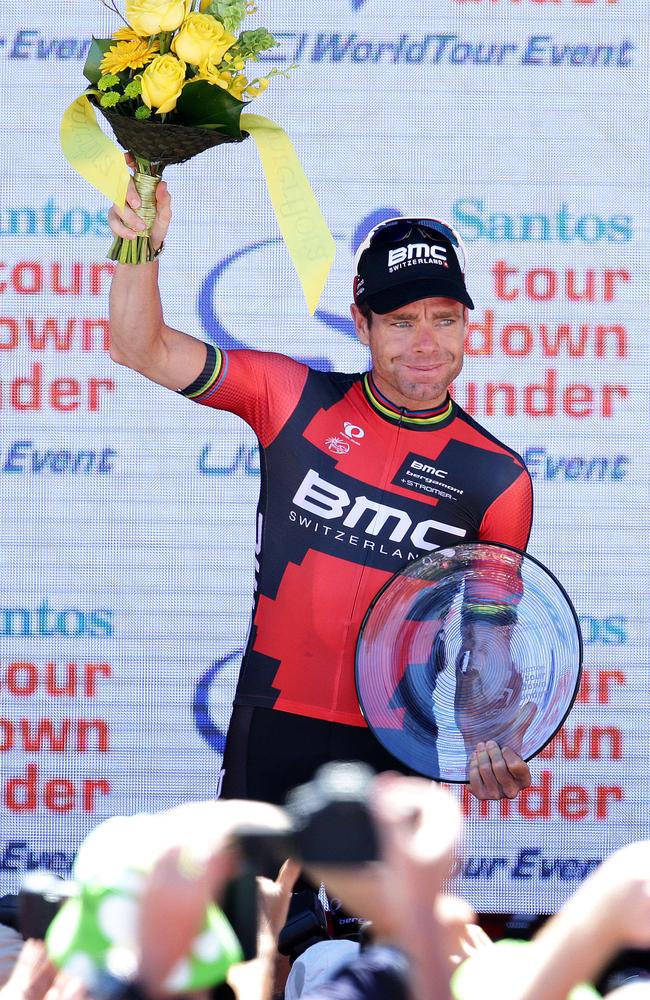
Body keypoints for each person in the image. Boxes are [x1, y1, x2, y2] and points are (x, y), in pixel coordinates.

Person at [108, 174, 534, 803]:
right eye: (400, 320)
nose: (426, 342)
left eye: (444, 320)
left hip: (398, 747)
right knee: (258, 907)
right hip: (277, 725)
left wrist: (491, 737)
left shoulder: (498, 478)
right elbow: (139, 347)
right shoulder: (290, 400)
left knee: (386, 910)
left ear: (467, 323)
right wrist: (139, 249)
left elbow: (488, 636)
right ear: (361, 324)